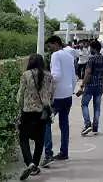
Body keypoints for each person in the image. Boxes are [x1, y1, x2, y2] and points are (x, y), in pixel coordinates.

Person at [16, 54, 52, 180]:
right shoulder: (48, 76)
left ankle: (29, 162)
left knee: (23, 138)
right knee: (39, 139)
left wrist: (19, 107)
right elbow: (50, 94)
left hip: (27, 110)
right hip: (42, 112)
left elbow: (20, 93)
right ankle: (35, 165)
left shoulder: (25, 75)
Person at [42, 35, 76, 166]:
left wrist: (47, 85)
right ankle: (64, 152)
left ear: (55, 44)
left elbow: (56, 76)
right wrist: (70, 90)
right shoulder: (69, 55)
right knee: (64, 124)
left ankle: (48, 153)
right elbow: (73, 77)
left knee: (45, 122)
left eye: (50, 46)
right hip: (67, 95)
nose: (49, 49)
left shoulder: (56, 56)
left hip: (57, 97)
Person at [78, 40, 103, 136]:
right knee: (97, 107)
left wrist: (82, 85)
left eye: (90, 48)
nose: (89, 49)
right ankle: (95, 127)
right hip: (99, 85)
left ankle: (87, 124)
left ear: (94, 48)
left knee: (84, 104)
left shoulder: (91, 59)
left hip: (90, 85)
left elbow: (88, 72)